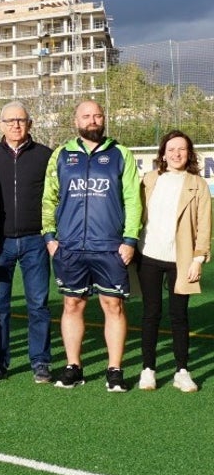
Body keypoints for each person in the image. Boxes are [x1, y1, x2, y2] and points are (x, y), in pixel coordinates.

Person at [42, 100, 142, 392]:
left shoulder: (120, 153)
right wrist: (49, 236)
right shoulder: (62, 154)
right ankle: (74, 366)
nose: (93, 120)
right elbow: (49, 197)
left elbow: (133, 200)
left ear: (104, 118)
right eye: (86, 116)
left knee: (113, 305)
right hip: (70, 246)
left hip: (110, 246)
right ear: (76, 120)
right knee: (72, 304)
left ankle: (115, 369)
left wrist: (130, 239)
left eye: (98, 115)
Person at [0, 102, 53, 384]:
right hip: (0, 241)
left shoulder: (45, 156)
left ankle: (41, 362)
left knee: (38, 305)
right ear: (0, 125)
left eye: (21, 120)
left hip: (35, 240)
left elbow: (53, 198)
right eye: (9, 121)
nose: (15, 125)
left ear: (30, 124)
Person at [135, 130, 207, 393]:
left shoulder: (197, 184)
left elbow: (204, 225)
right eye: (171, 149)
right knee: (150, 314)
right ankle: (148, 369)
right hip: (149, 256)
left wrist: (198, 258)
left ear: (189, 154)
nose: (176, 154)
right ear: (163, 153)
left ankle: (182, 371)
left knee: (179, 316)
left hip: (182, 259)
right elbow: (136, 214)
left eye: (182, 149)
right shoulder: (150, 180)